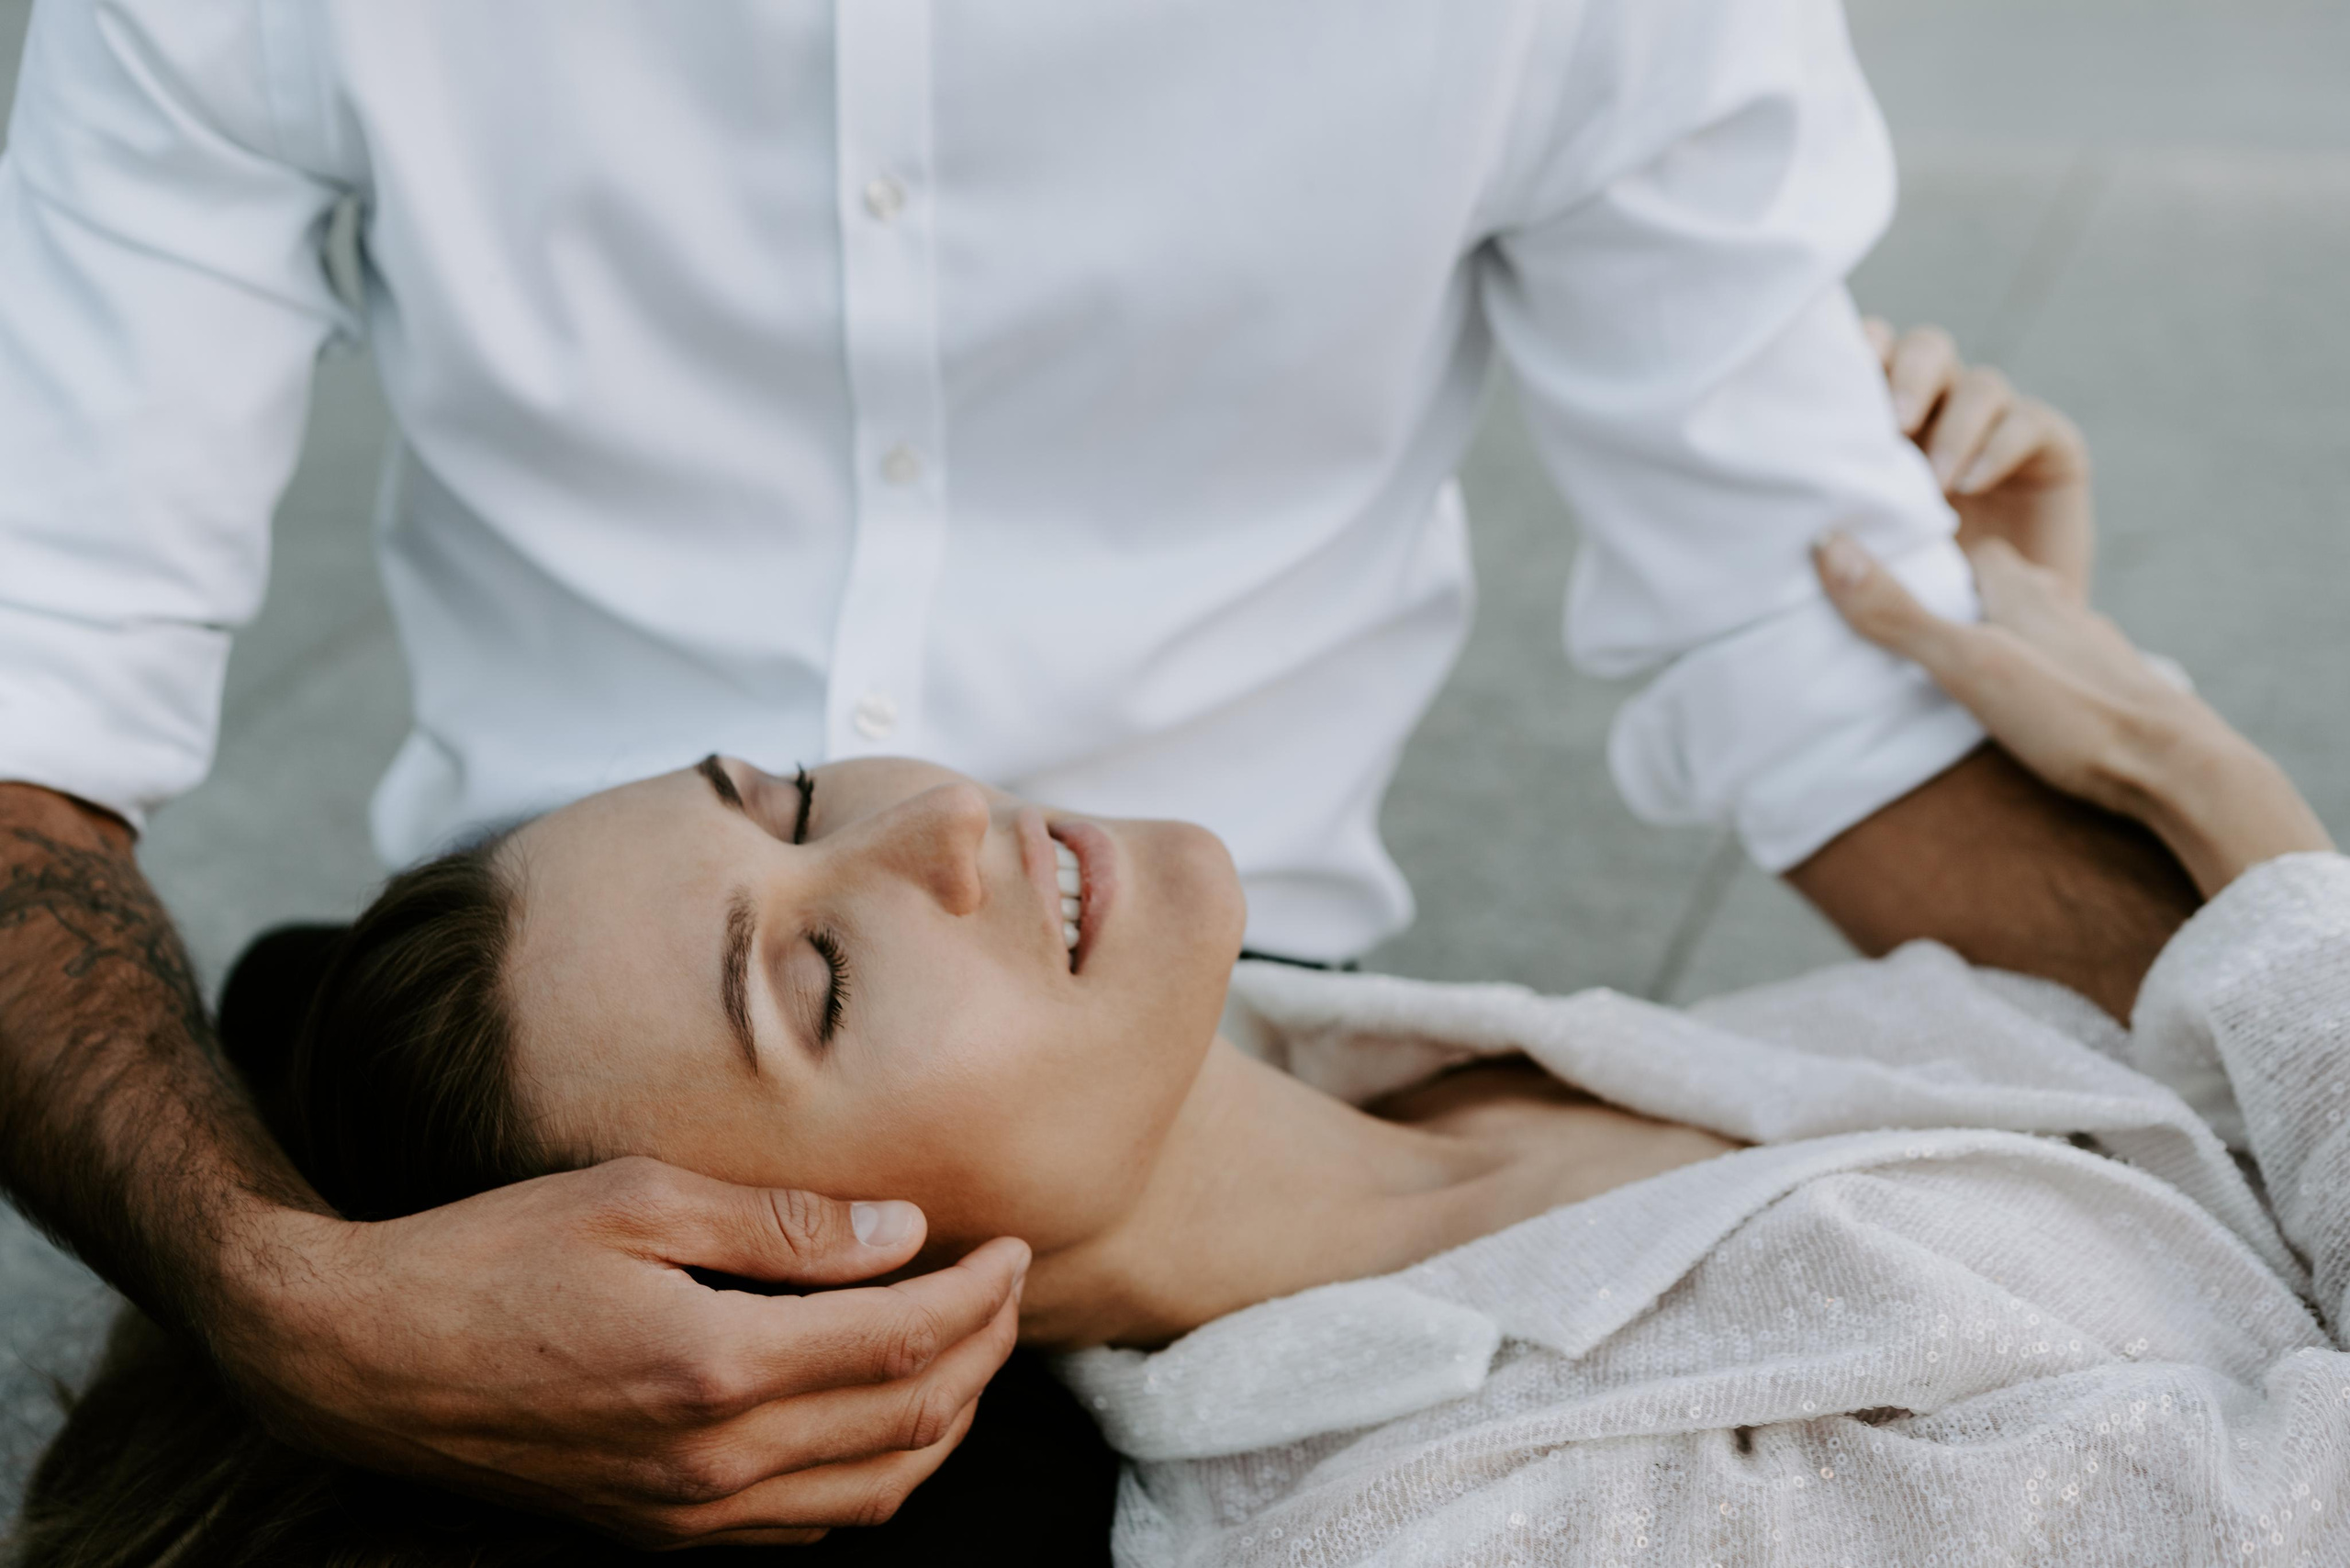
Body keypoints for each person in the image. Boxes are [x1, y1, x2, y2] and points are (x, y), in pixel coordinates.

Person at [0, 0, 2201, 1547]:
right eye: (820, 946)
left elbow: (1809, 649)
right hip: (555, 1132)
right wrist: (273, 1284)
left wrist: (2220, 930)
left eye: (798, 789)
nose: (944, 798)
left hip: (1217, 1058)